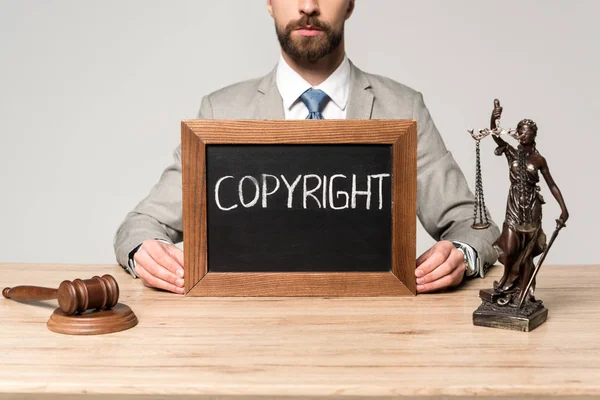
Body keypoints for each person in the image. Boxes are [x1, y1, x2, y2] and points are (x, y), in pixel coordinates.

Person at [114, 0, 500, 295]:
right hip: (250, 338)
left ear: (350, 2)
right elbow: (139, 226)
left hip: (375, 334)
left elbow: (474, 224)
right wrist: (146, 253)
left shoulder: (403, 107)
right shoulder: (222, 111)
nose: (308, 6)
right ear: (269, 2)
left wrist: (460, 254)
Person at [490, 101, 568, 306]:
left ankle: (523, 293)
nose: (524, 135)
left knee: (526, 254)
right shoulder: (511, 153)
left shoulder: (539, 159)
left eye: (528, 132)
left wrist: (563, 208)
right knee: (509, 249)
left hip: (532, 208)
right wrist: (494, 116)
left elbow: (551, 185)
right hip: (514, 206)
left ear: (533, 135)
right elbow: (495, 135)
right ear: (517, 133)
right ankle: (507, 280)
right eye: (521, 131)